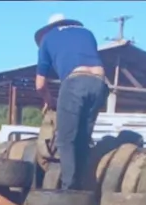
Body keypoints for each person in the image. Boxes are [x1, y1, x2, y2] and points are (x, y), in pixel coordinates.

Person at [34, 13, 110, 191]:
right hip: (100, 84)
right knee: (83, 138)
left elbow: (40, 85)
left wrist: (50, 101)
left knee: (65, 140)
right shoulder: (87, 33)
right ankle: (83, 185)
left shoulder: (47, 39)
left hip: (75, 82)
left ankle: (69, 189)